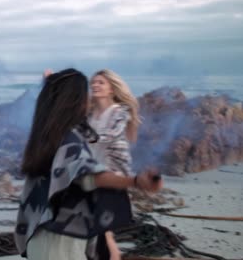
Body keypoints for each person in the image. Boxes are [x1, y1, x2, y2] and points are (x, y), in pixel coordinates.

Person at [14, 68, 162, 260]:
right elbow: (89, 177)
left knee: (106, 243)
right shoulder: (70, 142)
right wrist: (135, 182)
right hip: (58, 246)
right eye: (86, 94)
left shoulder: (47, 136)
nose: (89, 99)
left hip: (40, 236)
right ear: (75, 101)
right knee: (106, 240)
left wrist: (51, 83)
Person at [88, 69, 153, 260]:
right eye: (93, 82)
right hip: (93, 175)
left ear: (111, 89)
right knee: (100, 231)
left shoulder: (119, 112)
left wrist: (78, 139)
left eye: (101, 82)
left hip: (112, 176)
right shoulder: (91, 113)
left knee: (100, 230)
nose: (95, 85)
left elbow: (108, 137)